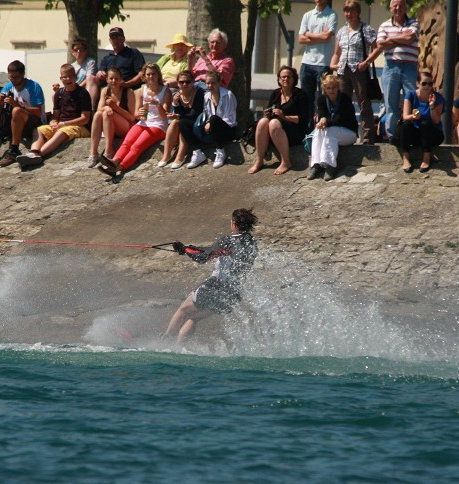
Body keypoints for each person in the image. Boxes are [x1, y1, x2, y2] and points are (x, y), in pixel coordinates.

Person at [165, 208, 259, 345]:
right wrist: (191, 248)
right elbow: (214, 251)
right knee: (193, 318)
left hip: (215, 287)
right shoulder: (252, 243)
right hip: (233, 293)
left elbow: (203, 258)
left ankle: (166, 341)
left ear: (234, 224)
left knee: (183, 310)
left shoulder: (228, 241)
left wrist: (184, 250)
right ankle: (178, 348)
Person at [98, 63, 171, 177]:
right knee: (126, 143)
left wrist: (157, 104)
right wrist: (140, 113)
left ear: (158, 76)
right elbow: (136, 114)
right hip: (144, 122)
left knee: (136, 146)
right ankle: (114, 161)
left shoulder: (165, 91)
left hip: (158, 126)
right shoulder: (143, 90)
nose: (150, 77)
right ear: (144, 76)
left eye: (153, 74)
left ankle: (119, 167)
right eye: (148, 74)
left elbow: (164, 116)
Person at [17, 64, 92, 169]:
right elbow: (56, 115)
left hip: (80, 127)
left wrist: (65, 124)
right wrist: (53, 122)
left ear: (75, 77)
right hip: (62, 124)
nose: (68, 79)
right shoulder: (59, 94)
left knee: (62, 132)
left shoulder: (83, 93)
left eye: (71, 76)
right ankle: (33, 152)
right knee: (38, 130)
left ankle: (38, 155)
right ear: (61, 79)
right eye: (65, 77)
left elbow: (85, 119)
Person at [366, 0, 419, 142]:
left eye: (401, 5)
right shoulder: (384, 25)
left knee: (412, 100)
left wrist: (390, 39)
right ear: (390, 8)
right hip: (391, 66)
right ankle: (392, 135)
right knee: (391, 103)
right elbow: (380, 44)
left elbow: (409, 38)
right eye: (395, 5)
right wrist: (400, 39)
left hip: (410, 66)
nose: (398, 8)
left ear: (405, 7)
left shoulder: (414, 23)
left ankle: (412, 134)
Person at [0, 60, 45, 167]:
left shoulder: (33, 86)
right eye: (11, 77)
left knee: (17, 110)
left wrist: (17, 105)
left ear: (22, 75)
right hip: (13, 121)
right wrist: (0, 102)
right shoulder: (8, 86)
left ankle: (14, 150)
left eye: (16, 77)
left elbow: (38, 112)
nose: (13, 80)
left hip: (32, 123)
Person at [330, 0, 378, 143]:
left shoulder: (366, 29)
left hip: (359, 69)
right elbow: (337, 52)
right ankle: (345, 132)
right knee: (343, 102)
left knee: (363, 102)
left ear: (358, 12)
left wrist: (366, 62)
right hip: (343, 70)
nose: (348, 14)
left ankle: (368, 137)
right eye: (346, 11)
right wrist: (333, 64)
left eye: (351, 11)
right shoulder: (342, 31)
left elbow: (376, 49)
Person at [248, 66, 308, 175]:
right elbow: (271, 111)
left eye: (289, 77)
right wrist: (268, 114)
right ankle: (259, 160)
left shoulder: (300, 95)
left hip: (295, 130)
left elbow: (303, 119)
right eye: (283, 77)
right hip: (275, 130)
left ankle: (286, 161)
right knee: (262, 122)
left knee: (274, 123)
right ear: (279, 79)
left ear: (294, 79)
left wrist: (284, 116)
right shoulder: (276, 93)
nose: (286, 79)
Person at [181, 70, 237, 169]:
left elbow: (230, 118)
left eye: (213, 83)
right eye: (207, 83)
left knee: (214, 119)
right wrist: (207, 122)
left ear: (219, 83)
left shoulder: (228, 95)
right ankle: (197, 152)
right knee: (182, 123)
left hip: (227, 130)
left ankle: (220, 151)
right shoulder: (207, 96)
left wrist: (212, 122)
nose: (210, 86)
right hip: (212, 129)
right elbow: (207, 112)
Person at [308, 73, 358, 181]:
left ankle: (330, 166)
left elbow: (341, 119)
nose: (331, 90)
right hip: (331, 129)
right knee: (318, 130)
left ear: (338, 87)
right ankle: (316, 164)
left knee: (330, 131)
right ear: (324, 89)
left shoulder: (345, 99)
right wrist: (322, 120)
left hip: (348, 132)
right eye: (328, 88)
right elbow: (322, 113)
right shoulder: (321, 100)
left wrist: (326, 122)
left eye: (334, 87)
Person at [87, 67, 137, 168]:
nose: (114, 81)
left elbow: (132, 117)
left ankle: (109, 150)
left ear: (121, 79)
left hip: (126, 126)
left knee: (108, 113)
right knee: (98, 115)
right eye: (111, 78)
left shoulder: (129, 92)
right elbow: (99, 109)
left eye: (116, 78)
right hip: (110, 125)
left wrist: (115, 108)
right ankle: (93, 152)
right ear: (107, 80)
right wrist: (106, 107)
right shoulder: (105, 90)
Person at [298, 0, 338, 127]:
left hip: (323, 62)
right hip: (307, 62)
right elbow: (300, 38)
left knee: (324, 98)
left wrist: (309, 34)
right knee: (306, 99)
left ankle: (322, 126)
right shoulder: (308, 15)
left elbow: (327, 38)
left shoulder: (332, 15)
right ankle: (307, 130)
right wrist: (319, 37)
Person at [399, 70, 445, 173]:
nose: (427, 86)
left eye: (430, 83)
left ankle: (426, 158)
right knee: (406, 125)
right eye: (424, 83)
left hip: (432, 134)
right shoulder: (411, 95)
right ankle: (406, 158)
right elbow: (405, 116)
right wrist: (413, 116)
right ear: (417, 84)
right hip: (416, 133)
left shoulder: (438, 97)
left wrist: (432, 106)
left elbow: (436, 121)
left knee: (426, 123)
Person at [159, 69, 203, 169]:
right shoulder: (177, 95)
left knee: (182, 123)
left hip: (197, 123)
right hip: (184, 121)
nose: (184, 84)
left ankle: (180, 155)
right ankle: (166, 155)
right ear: (178, 83)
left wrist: (178, 116)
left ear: (192, 82)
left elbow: (195, 114)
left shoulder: (198, 93)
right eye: (181, 82)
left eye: (187, 81)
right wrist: (176, 103)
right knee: (175, 122)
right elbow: (180, 113)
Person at [70, 38, 98, 109]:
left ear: (86, 51)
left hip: (83, 89)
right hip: (73, 90)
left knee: (90, 79)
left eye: (81, 49)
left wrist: (77, 88)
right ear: (72, 52)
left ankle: (90, 108)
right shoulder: (71, 66)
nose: (78, 52)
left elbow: (89, 78)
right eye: (76, 50)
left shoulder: (90, 62)